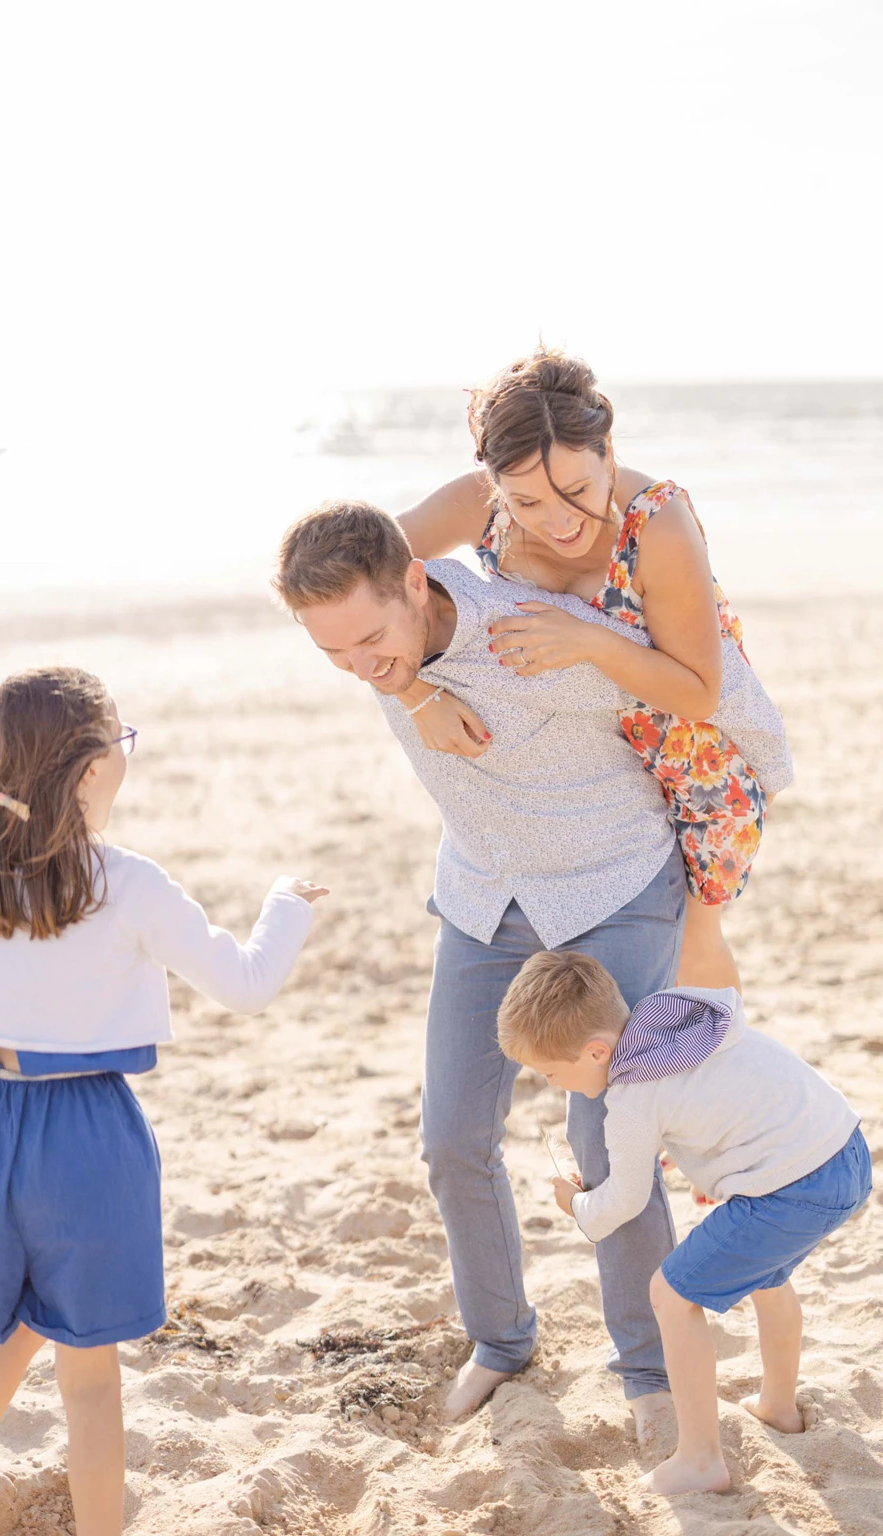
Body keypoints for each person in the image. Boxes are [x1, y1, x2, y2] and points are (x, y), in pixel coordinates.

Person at [275, 500, 700, 1430]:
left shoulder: (525, 636)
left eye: (370, 641)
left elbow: (691, 707)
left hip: (613, 886)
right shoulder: (373, 626)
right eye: (332, 653)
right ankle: (503, 1343)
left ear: (417, 581)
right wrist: (413, 688)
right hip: (485, 896)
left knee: (608, 1142)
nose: (358, 666)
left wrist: (709, 909)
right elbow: (392, 589)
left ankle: (650, 1368)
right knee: (453, 1140)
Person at [0, 666, 326, 1536]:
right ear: (89, 769)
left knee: (14, 1318)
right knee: (87, 1374)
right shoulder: (126, 882)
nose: (126, 757)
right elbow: (245, 984)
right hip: (79, 1137)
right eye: (120, 741)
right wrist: (284, 907)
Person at [394, 344, 792, 991]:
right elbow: (368, 578)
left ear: (608, 451)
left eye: (576, 491)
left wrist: (588, 641)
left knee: (690, 952)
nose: (557, 522)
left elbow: (701, 691)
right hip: (580, 760)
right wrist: (413, 692)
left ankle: (719, 1070)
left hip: (692, 761)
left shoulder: (659, 525)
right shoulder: (483, 504)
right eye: (526, 503)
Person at [497, 948, 871, 1494]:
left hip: (789, 1190)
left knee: (671, 1294)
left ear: (597, 1051)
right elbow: (718, 1101)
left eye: (553, 1073)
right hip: (845, 1153)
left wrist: (576, 1206)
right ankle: (779, 1406)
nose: (554, 1084)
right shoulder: (676, 1024)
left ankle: (700, 1459)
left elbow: (622, 1202)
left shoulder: (629, 1098)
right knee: (769, 1277)